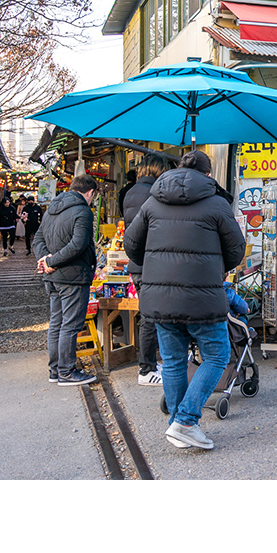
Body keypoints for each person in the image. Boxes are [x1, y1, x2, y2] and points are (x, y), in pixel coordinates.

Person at [124, 150, 245, 451]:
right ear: (207, 175)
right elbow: (236, 251)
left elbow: (131, 245)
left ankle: (176, 425)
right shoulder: (217, 203)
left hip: (160, 297)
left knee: (174, 361)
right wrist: (217, 266)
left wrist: (153, 266)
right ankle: (186, 421)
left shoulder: (153, 200)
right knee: (217, 355)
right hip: (203, 296)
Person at [34, 175, 99, 387]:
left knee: (56, 323)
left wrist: (46, 261)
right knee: (70, 325)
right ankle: (67, 371)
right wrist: (51, 260)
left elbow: (38, 239)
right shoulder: (83, 211)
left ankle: (54, 370)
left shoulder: (52, 208)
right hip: (72, 275)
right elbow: (78, 244)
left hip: (52, 276)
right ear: (90, 193)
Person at [122, 152, 171, 386]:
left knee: (150, 314)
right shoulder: (152, 194)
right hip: (151, 263)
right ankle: (146, 370)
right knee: (151, 317)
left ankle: (150, 363)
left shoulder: (131, 192)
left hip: (138, 263)